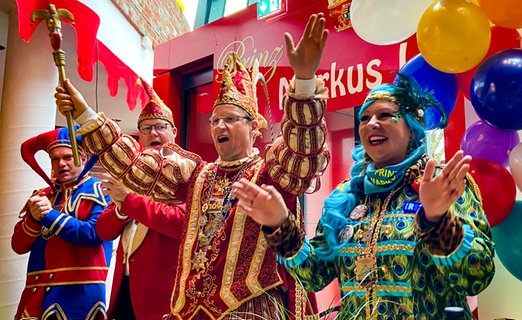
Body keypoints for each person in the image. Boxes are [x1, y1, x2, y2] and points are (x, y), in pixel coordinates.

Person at [55, 13, 330, 320]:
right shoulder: (198, 175)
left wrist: (304, 81)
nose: (219, 126)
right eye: (214, 120)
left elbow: (302, 156)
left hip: (251, 311)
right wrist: (86, 115)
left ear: (255, 128)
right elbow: (136, 168)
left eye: (230, 119)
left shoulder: (269, 173)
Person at [232, 75, 496, 319]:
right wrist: (280, 225)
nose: (372, 123)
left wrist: (439, 221)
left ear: (412, 128)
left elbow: (477, 275)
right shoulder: (347, 196)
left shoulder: (441, 183)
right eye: (364, 117)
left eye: (385, 115)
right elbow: (315, 276)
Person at [95, 79, 186, 320]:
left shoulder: (189, 173)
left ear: (174, 132)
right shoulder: (130, 175)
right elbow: (103, 231)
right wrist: (123, 208)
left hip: (165, 299)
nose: (152, 133)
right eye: (145, 128)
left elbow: (181, 224)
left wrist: (130, 202)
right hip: (124, 290)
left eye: (160, 126)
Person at [12, 126, 111, 320]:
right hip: (36, 295)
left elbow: (94, 234)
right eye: (55, 159)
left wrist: (49, 215)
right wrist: (33, 219)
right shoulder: (42, 195)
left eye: (68, 157)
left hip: (79, 296)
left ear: (83, 159)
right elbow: (18, 245)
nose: (61, 164)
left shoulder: (102, 191)